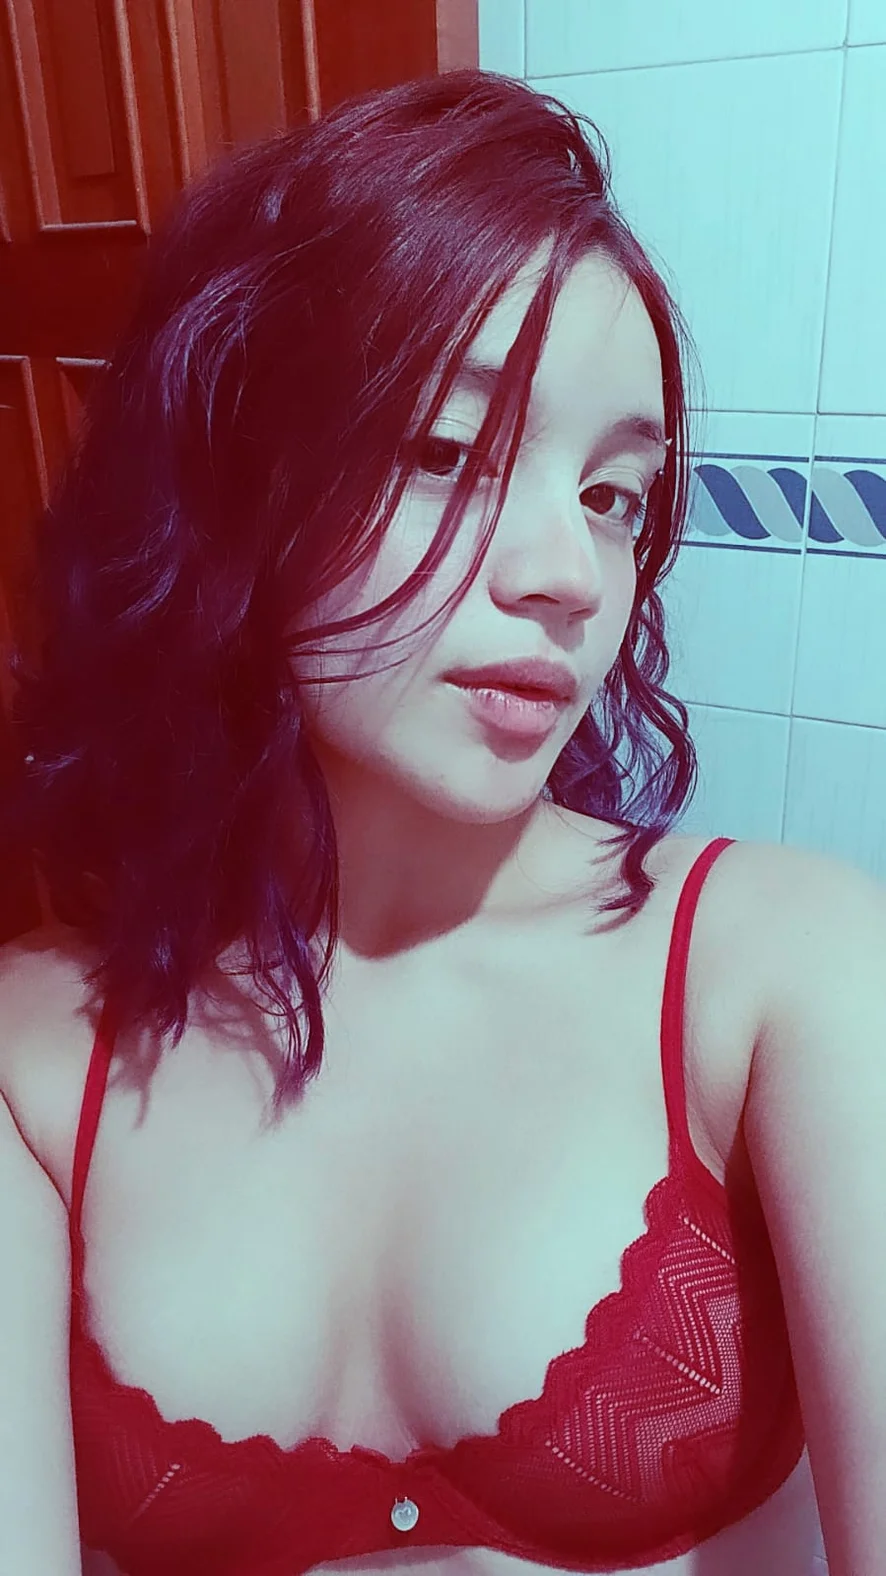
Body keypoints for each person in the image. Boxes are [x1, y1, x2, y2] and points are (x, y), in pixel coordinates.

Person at [0, 66, 880, 1576]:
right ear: (237, 479)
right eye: (442, 451)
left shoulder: (787, 975)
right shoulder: (38, 1059)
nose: (570, 577)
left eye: (614, 495)